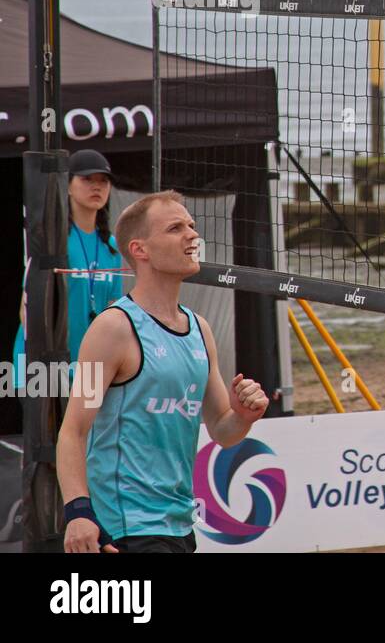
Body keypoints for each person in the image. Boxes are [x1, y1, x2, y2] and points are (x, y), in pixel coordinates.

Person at [56, 190, 269, 553]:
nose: (192, 235)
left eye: (191, 225)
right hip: (125, 527)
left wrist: (245, 416)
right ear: (140, 250)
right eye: (175, 228)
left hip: (179, 523)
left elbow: (223, 430)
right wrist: (78, 512)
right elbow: (72, 431)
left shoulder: (199, 329)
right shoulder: (112, 329)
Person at [14, 149, 125, 391]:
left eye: (103, 181)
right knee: (51, 430)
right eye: (87, 179)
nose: (97, 186)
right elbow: (27, 308)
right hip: (44, 364)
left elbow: (113, 309)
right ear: (67, 185)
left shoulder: (112, 247)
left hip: (89, 366)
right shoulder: (52, 240)